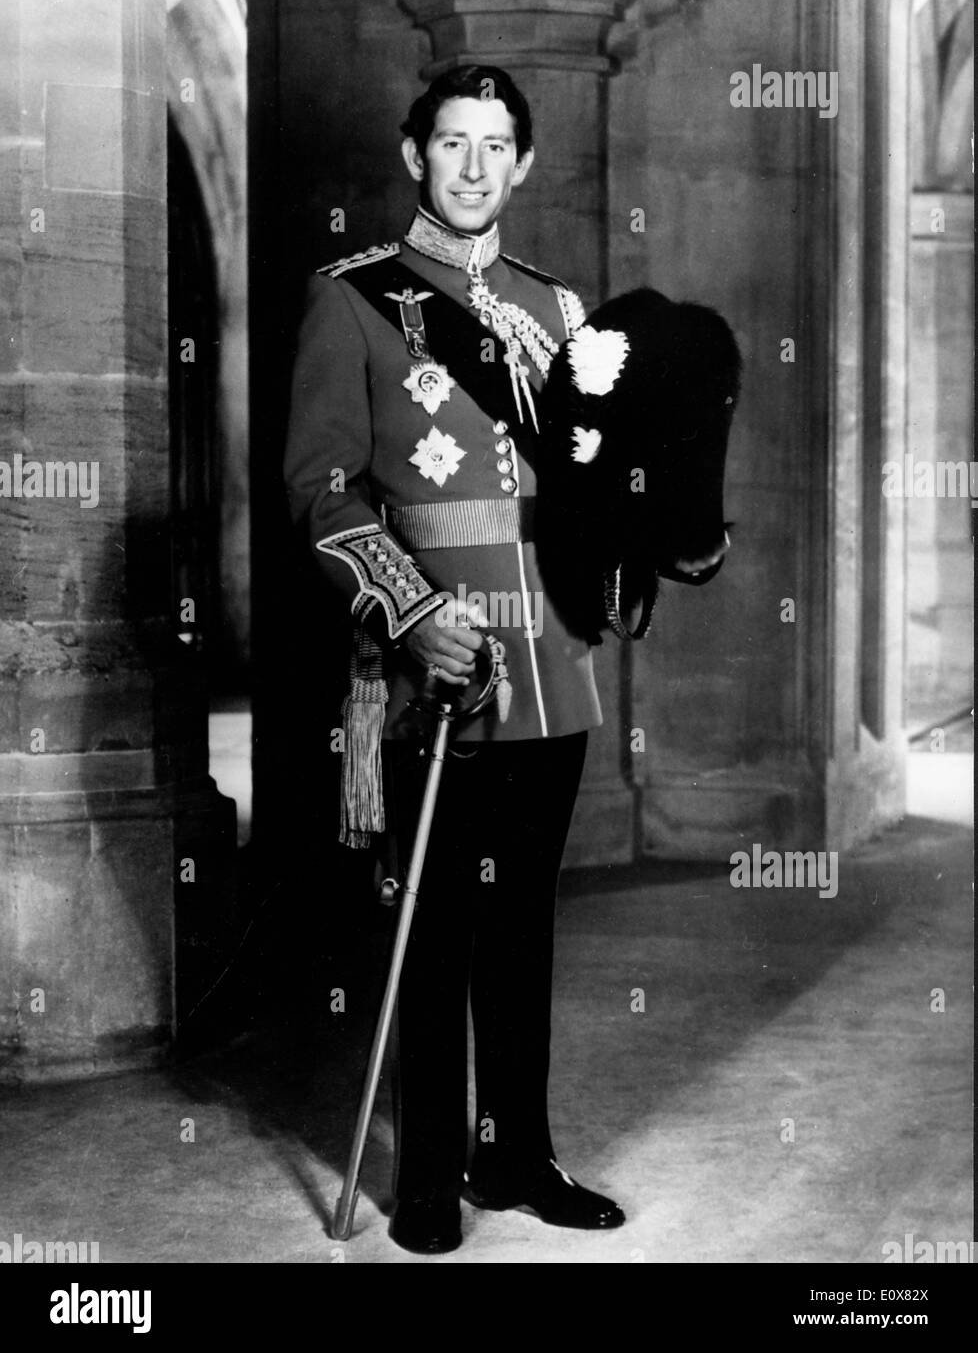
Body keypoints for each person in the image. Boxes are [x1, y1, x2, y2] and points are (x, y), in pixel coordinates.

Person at [284, 64, 625, 1255]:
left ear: (523, 164)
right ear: (413, 154)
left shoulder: (559, 311)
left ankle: (516, 1154)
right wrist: (412, 609)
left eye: (496, 146)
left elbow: (582, 493)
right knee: (432, 923)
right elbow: (322, 491)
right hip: (438, 657)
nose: (474, 167)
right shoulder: (354, 300)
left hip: (553, 662)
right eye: (452, 143)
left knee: (525, 919)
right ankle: (430, 1167)